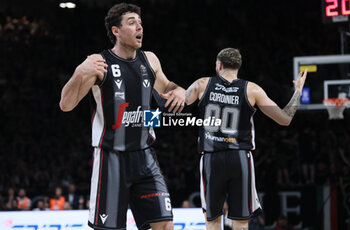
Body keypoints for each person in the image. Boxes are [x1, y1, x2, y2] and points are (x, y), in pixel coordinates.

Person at [59, 3, 185, 230]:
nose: (140, 27)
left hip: (146, 157)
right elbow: (65, 105)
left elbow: (167, 86)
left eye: (140, 22)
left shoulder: (150, 60)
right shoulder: (99, 63)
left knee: (165, 225)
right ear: (116, 31)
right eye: (132, 22)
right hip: (111, 159)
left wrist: (179, 90)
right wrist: (79, 72)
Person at [185, 48, 307, 230]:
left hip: (212, 157)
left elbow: (176, 103)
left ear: (219, 65)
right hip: (240, 158)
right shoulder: (252, 89)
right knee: (241, 222)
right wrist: (297, 91)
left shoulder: (202, 84)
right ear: (238, 67)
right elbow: (285, 119)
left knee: (212, 221)